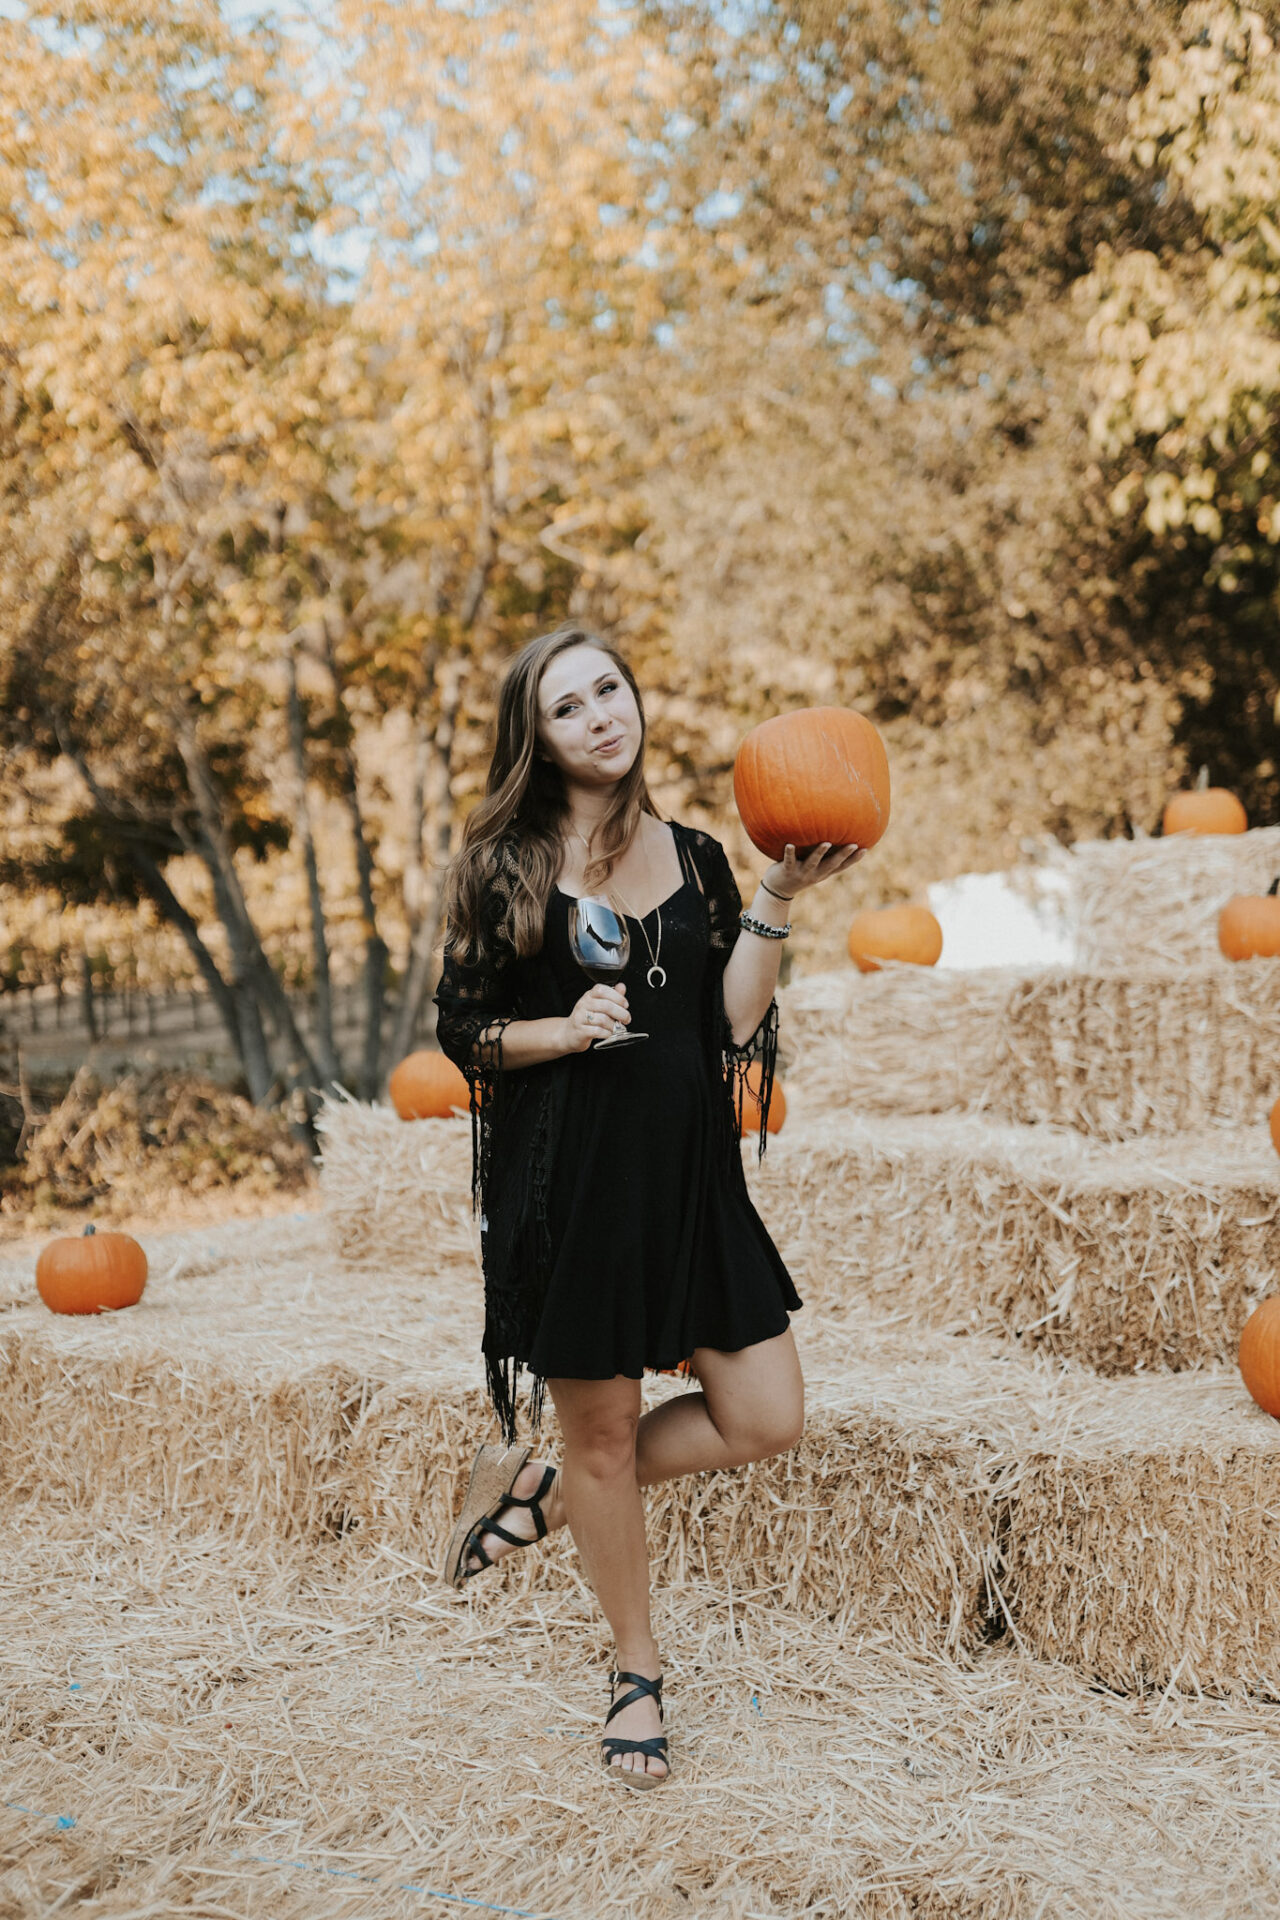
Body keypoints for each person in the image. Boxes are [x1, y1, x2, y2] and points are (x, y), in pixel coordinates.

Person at [433, 622, 861, 1788]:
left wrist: (773, 892)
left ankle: (544, 1490)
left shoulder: (697, 854)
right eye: (567, 707)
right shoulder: (501, 868)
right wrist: (560, 1031)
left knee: (765, 1417)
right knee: (608, 1435)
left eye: (607, 691)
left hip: (687, 1179)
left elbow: (727, 1023)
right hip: (568, 1188)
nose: (598, 717)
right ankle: (635, 1671)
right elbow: (457, 1032)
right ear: (537, 735)